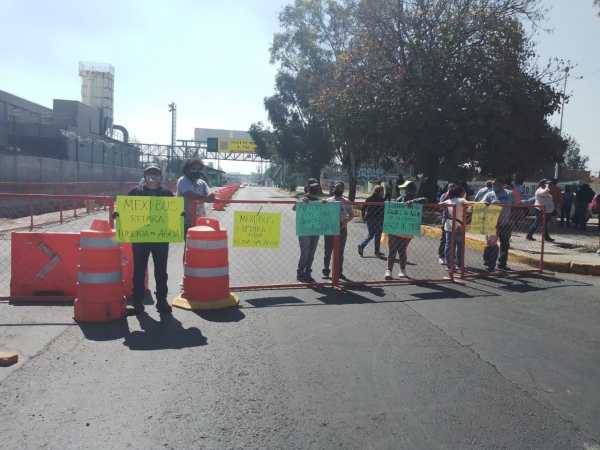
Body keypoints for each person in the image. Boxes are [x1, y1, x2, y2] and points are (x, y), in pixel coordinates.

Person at [126, 164, 174, 315]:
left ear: (161, 178)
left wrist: (180, 215)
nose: (153, 179)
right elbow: (126, 211)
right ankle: (137, 302)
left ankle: (161, 300)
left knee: (161, 271)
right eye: (149, 176)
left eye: (156, 176)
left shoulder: (167, 193)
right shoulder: (135, 192)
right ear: (145, 177)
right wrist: (118, 215)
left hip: (160, 238)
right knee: (139, 271)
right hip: (140, 239)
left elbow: (172, 213)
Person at [385, 181, 427, 280]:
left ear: (409, 190)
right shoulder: (399, 199)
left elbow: (425, 199)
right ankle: (388, 271)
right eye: (401, 189)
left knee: (402, 251)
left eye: (403, 189)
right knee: (392, 251)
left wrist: (412, 202)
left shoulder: (415, 199)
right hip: (394, 229)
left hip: (406, 231)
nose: (401, 190)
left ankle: (402, 270)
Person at [481, 179, 515, 271]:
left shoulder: (509, 194)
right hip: (492, 223)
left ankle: (502, 264)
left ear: (502, 185)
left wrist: (512, 219)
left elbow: (515, 205)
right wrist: (490, 204)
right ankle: (488, 261)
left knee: (505, 244)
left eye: (496, 184)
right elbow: (482, 204)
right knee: (491, 244)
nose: (494, 186)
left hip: (505, 223)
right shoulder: (489, 194)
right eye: (493, 184)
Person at [323, 182, 353, 280]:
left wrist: (345, 223)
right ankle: (326, 271)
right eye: (336, 188)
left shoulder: (346, 201)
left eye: (340, 188)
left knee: (340, 252)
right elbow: (323, 213)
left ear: (343, 190)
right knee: (328, 250)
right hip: (330, 228)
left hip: (342, 228)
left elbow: (351, 215)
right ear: (333, 189)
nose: (338, 190)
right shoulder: (328, 200)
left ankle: (339, 272)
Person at [176, 159, 215, 235]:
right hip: (186, 219)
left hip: (200, 219)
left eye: (199, 169)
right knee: (189, 242)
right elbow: (189, 194)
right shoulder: (183, 180)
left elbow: (209, 195)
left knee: (200, 243)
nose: (196, 171)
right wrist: (206, 198)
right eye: (193, 169)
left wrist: (211, 196)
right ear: (187, 169)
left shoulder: (202, 183)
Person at [294, 178, 321, 282]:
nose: (315, 188)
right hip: (305, 229)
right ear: (308, 188)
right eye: (313, 186)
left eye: (316, 187)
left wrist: (325, 204)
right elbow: (294, 208)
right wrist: (301, 202)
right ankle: (300, 273)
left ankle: (308, 273)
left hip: (316, 229)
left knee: (312, 252)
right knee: (305, 252)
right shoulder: (303, 198)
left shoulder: (318, 200)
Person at [440, 184, 466, 273]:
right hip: (460, 225)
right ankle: (459, 265)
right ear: (461, 193)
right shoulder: (462, 200)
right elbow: (470, 208)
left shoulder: (448, 201)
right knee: (460, 246)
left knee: (449, 246)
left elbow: (440, 205)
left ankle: (449, 265)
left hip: (449, 225)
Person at [358, 185, 385, 258]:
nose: (383, 192)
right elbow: (384, 210)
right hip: (378, 219)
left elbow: (363, 208)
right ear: (380, 191)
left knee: (371, 234)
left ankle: (373, 250)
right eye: (382, 191)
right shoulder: (381, 200)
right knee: (377, 235)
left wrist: (363, 217)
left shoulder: (369, 198)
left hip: (370, 219)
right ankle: (374, 250)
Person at [437, 183, 455, 265]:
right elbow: (440, 207)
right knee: (444, 239)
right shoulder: (444, 195)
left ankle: (451, 257)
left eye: (453, 188)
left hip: (455, 220)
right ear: (448, 188)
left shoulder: (457, 197)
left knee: (453, 240)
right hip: (446, 219)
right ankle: (441, 256)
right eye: (450, 188)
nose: (452, 190)